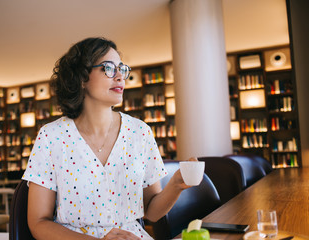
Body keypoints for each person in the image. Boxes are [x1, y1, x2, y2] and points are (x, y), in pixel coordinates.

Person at [23, 37, 194, 240]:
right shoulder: (51, 137)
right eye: (108, 68)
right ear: (81, 78)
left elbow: (152, 212)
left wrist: (175, 186)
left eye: (122, 69)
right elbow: (38, 222)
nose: (120, 77)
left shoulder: (141, 132)